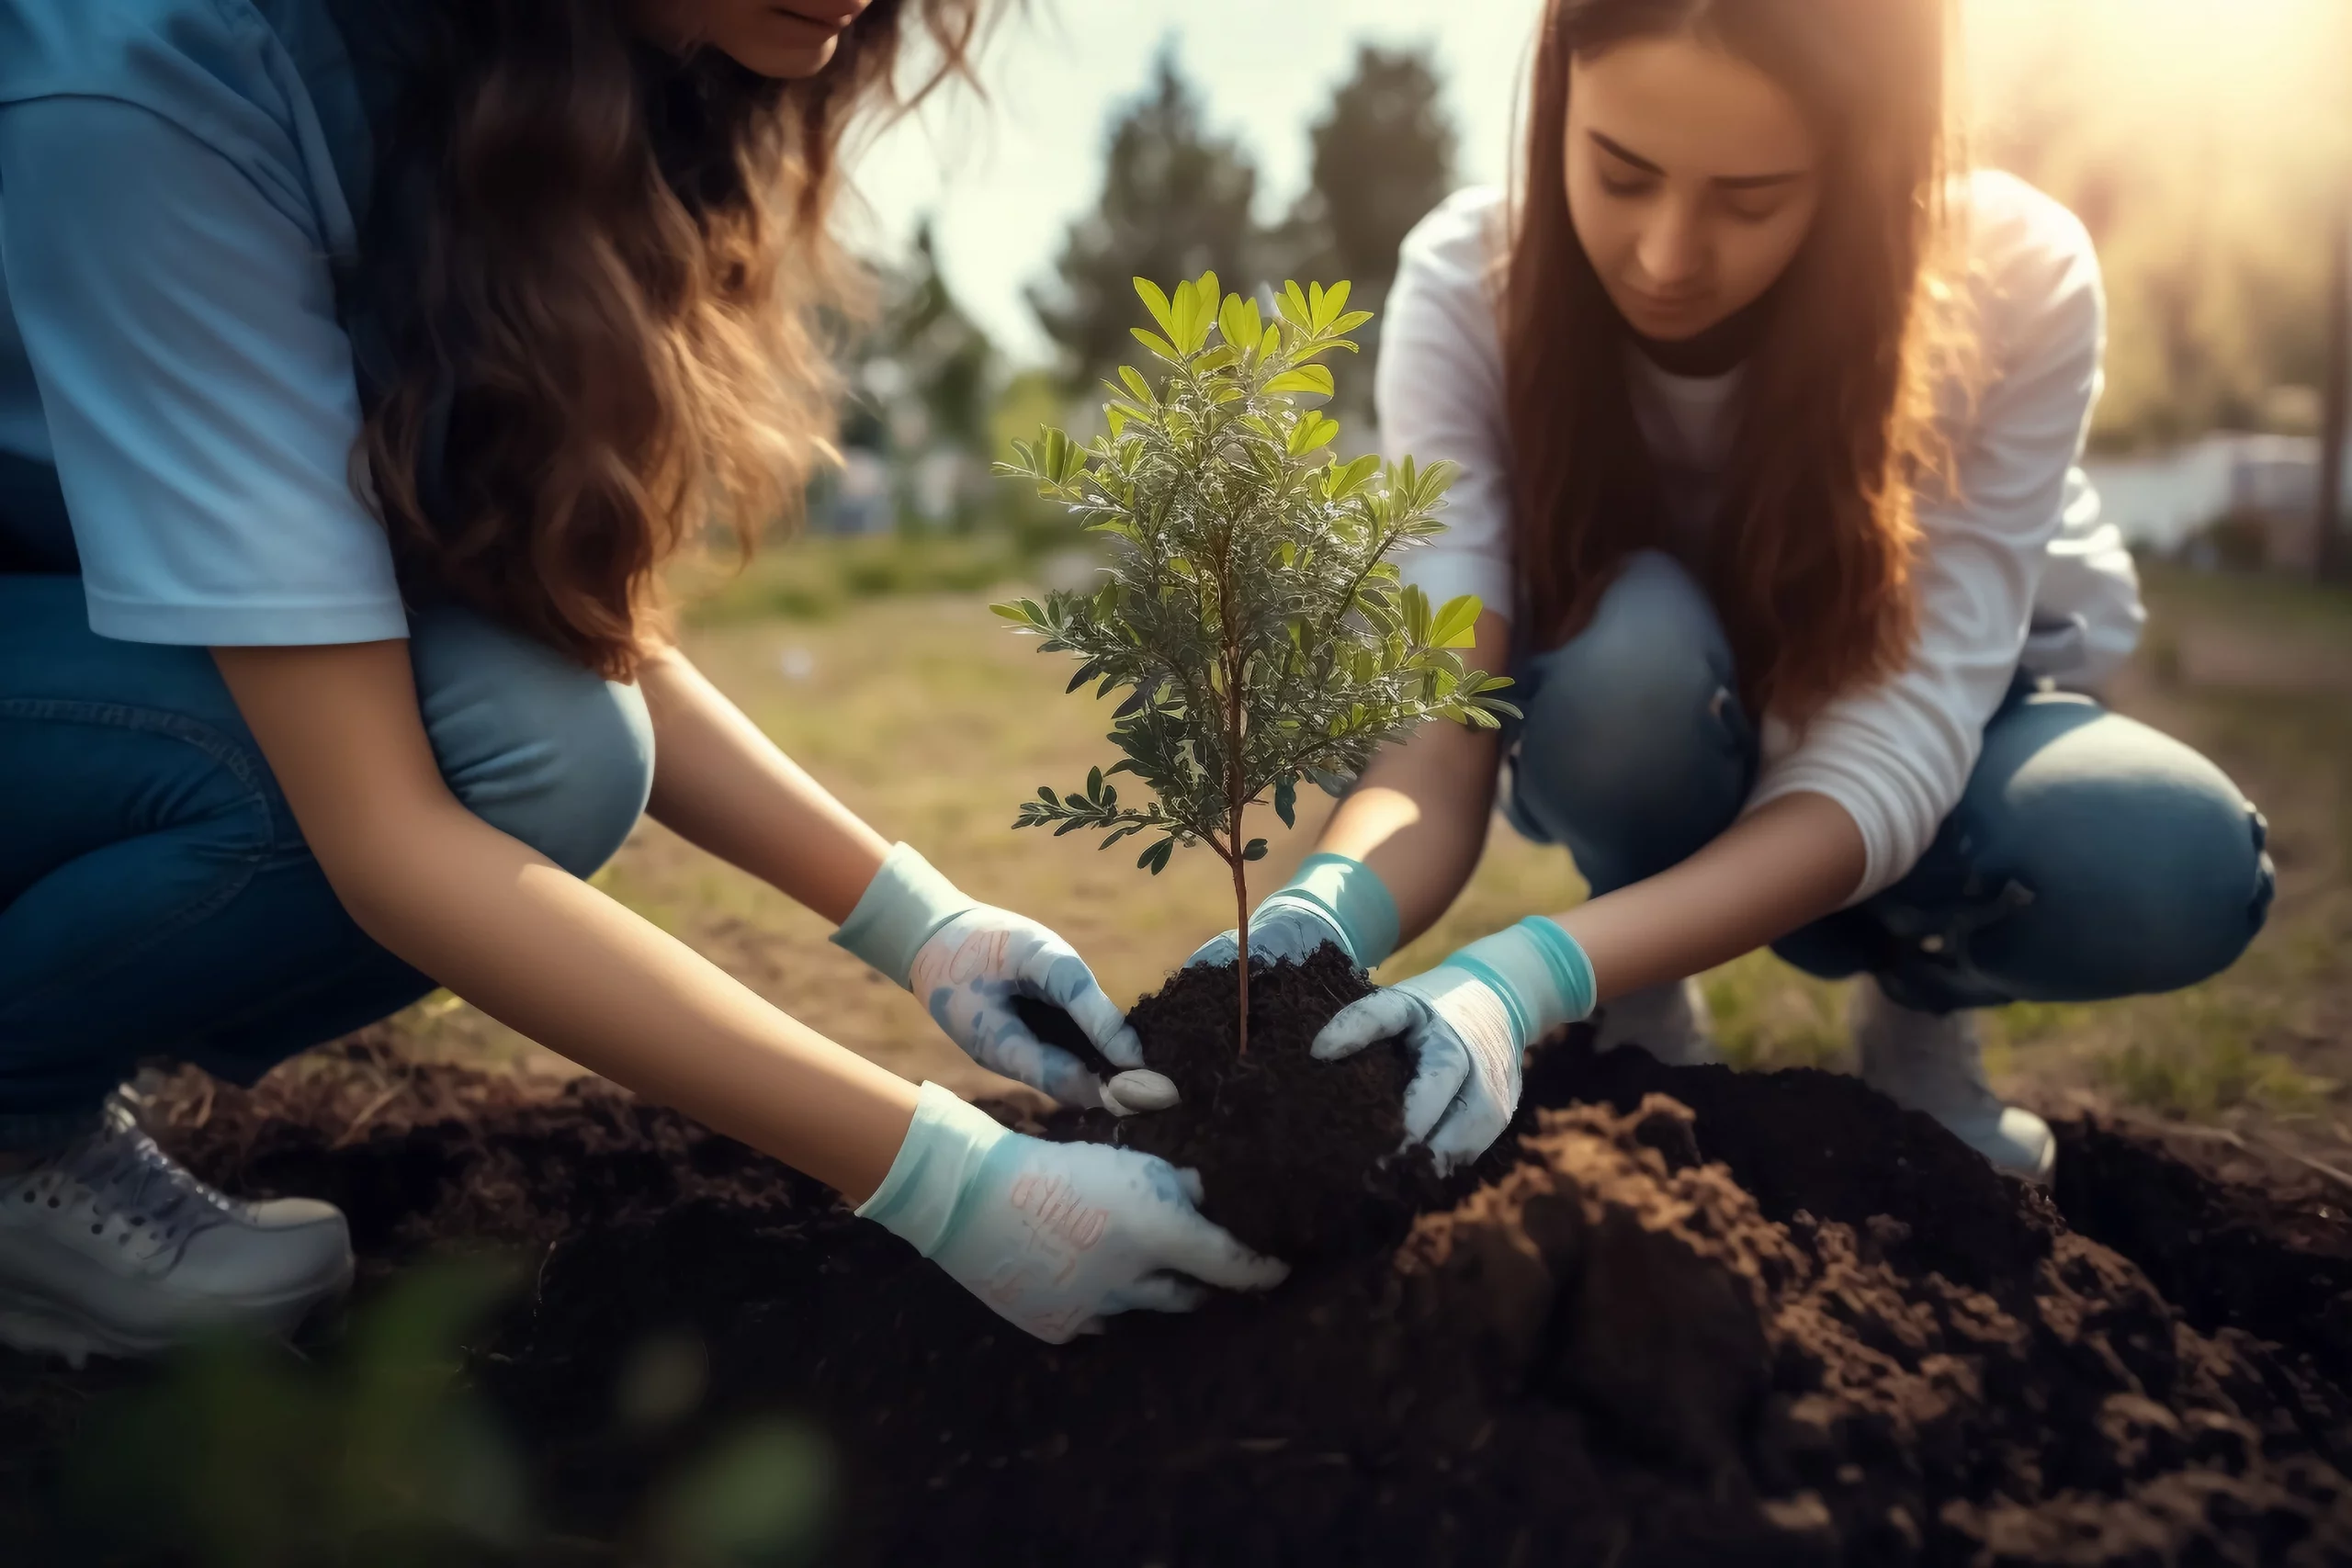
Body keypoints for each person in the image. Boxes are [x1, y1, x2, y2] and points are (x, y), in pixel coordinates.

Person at [0, 0, 1280, 1363]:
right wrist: (948, 1179)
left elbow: (548, 629)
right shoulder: (155, 82)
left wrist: (922, 921)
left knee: (556, 736)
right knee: (422, 771)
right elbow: (381, 828)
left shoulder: (519, 77)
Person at [1196, 0, 2275, 1183]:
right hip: (1655, 731)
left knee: (2174, 861)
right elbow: (1445, 732)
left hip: (1948, 752)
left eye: (1751, 198)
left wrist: (1528, 971)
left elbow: (1895, 750)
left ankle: (1919, 1001)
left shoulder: (2010, 279)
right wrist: (1307, 929)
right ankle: (1643, 1004)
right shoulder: (1472, 286)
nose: (1666, 256)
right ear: (1557, 98)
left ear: (1863, 165)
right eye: (1620, 172)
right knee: (1630, 658)